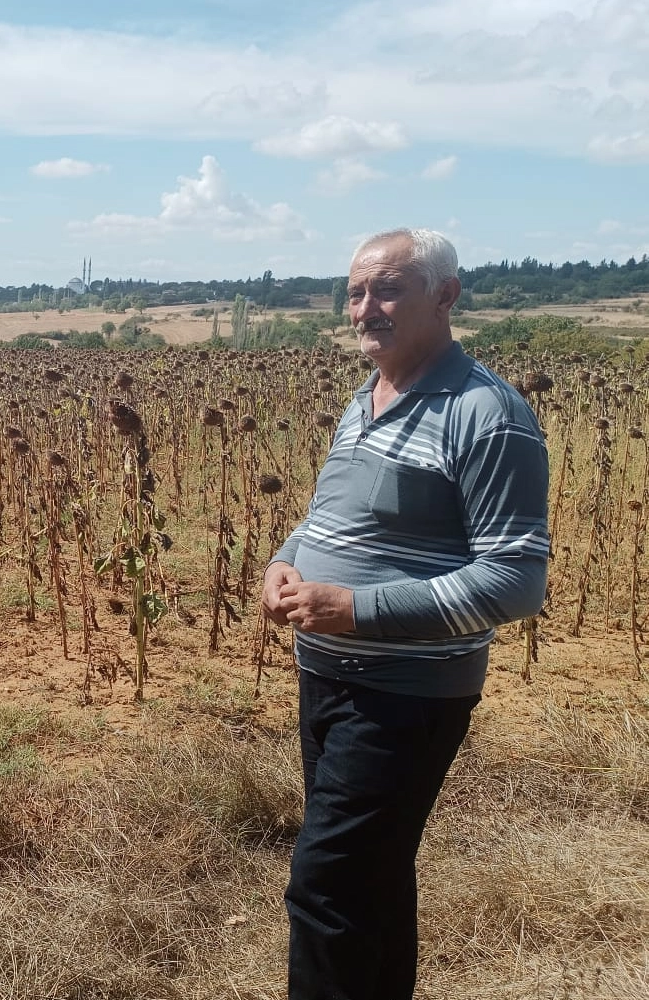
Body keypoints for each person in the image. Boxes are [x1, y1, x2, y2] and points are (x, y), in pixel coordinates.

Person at [262, 228, 549, 1000]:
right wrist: (284, 561)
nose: (365, 307)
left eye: (386, 288)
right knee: (372, 879)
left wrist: (356, 608)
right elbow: (328, 516)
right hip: (327, 680)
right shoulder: (368, 398)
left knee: (326, 887)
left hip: (405, 696)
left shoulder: (487, 415)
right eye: (355, 292)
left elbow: (517, 580)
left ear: (446, 296)